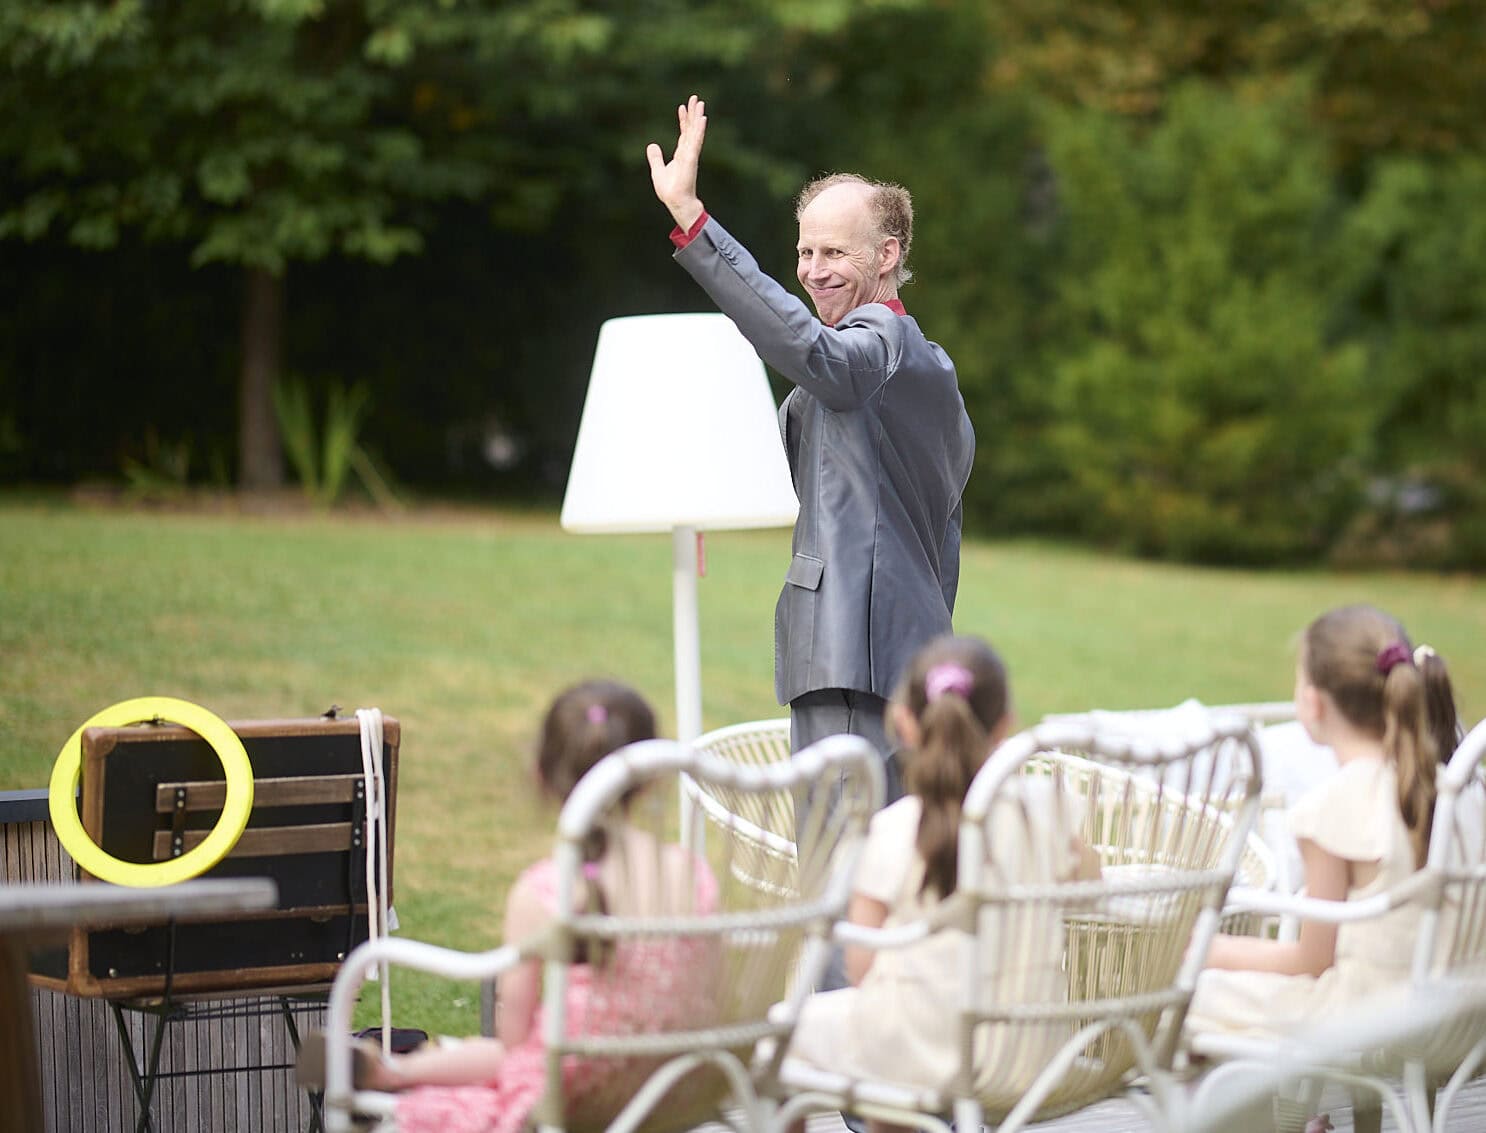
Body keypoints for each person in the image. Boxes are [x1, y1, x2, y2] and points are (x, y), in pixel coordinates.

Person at [647, 96, 976, 791]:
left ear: (888, 255)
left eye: (835, 252)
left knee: (840, 877)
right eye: (804, 250)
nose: (814, 269)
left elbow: (805, 347)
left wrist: (693, 222)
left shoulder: (876, 351)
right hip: (891, 658)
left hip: (853, 657)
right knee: (883, 875)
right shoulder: (902, 370)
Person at [296, 680, 720, 1133]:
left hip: (571, 1102)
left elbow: (512, 1049)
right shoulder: (693, 874)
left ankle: (393, 1070)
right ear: (651, 776)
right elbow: (711, 1002)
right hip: (678, 1087)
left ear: (542, 773)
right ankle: (390, 1069)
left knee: (483, 1085)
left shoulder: (543, 892)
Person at [781, 635, 1100, 1126]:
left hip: (920, 1053)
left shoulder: (891, 831)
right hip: (1028, 1051)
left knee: (784, 1035)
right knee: (889, 1045)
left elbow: (860, 968)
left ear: (905, 723)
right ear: (1005, 726)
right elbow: (1090, 884)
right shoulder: (1045, 813)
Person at [1186, 606, 1460, 1130]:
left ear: (1311, 702)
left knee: (1189, 997)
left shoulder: (1335, 804)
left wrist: (1215, 951)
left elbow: (1313, 961)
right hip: (1452, 1009)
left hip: (1370, 1020)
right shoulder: (1448, 784)